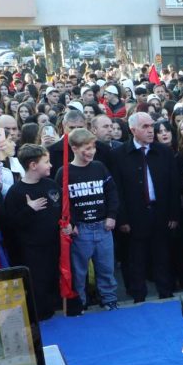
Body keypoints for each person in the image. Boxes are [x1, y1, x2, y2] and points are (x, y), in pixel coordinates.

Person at [109, 112, 180, 303]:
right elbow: (117, 189)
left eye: (152, 126)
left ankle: (166, 293)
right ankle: (138, 297)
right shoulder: (119, 155)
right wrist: (121, 219)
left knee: (162, 257)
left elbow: (174, 185)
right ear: (133, 130)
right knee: (136, 259)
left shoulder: (164, 152)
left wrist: (174, 213)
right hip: (133, 215)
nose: (151, 131)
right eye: (145, 127)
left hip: (161, 212)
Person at [58, 128, 120, 312]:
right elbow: (63, 202)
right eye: (86, 148)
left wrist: (111, 215)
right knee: (79, 271)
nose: (91, 152)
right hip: (81, 230)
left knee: (106, 268)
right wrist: (72, 223)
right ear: (74, 148)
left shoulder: (99, 167)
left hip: (103, 226)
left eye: (93, 147)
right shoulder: (64, 172)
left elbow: (112, 193)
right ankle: (80, 303)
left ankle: (109, 300)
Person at [2, 144, 61, 321]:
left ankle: (55, 309)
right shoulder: (16, 192)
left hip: (54, 244)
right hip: (31, 250)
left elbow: (63, 208)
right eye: (47, 162)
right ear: (33, 165)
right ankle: (40, 315)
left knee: (53, 278)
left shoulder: (51, 184)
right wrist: (29, 209)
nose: (51, 165)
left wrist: (69, 224)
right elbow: (10, 224)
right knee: (38, 283)